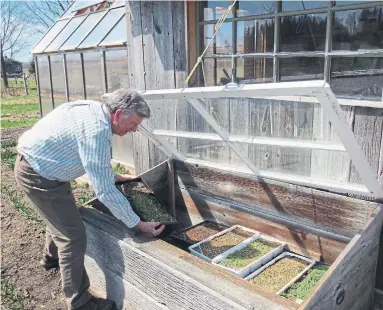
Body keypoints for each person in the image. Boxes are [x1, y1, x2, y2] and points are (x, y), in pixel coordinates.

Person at [14, 88, 165, 310]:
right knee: (72, 237)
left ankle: (51, 259)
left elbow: (89, 159)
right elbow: (104, 190)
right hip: (39, 175)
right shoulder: (97, 132)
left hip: (44, 167)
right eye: (133, 123)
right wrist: (137, 223)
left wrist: (115, 176)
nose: (134, 129)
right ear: (117, 115)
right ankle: (80, 303)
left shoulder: (91, 109)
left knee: (59, 217)